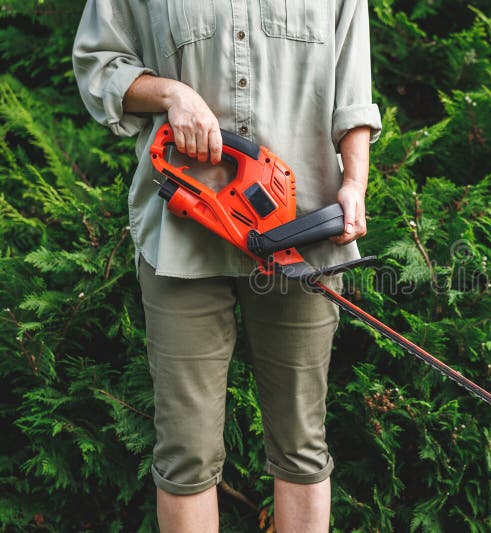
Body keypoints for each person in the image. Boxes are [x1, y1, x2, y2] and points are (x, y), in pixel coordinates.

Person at [72, 1, 381, 531]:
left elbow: (352, 97)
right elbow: (100, 62)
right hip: (183, 237)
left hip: (300, 236)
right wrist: (172, 94)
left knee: (302, 445)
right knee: (185, 456)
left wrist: (353, 185)